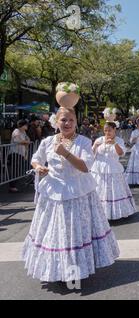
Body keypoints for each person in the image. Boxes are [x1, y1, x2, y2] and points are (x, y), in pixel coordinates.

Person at [23, 84, 119, 282]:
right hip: (53, 192)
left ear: (76, 122)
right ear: (56, 121)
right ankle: (55, 268)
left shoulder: (83, 141)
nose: (67, 123)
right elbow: (36, 158)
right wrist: (38, 167)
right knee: (55, 232)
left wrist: (65, 153)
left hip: (78, 191)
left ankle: (75, 268)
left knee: (73, 232)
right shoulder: (48, 141)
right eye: (63, 119)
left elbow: (85, 167)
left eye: (71, 120)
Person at [92, 121, 136, 220]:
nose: (107, 133)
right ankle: (99, 213)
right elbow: (91, 155)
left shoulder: (119, 140)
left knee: (114, 191)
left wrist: (114, 144)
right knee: (100, 191)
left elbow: (121, 154)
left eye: (109, 131)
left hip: (113, 169)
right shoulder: (99, 140)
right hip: (99, 169)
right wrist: (95, 146)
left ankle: (115, 212)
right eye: (105, 131)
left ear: (114, 130)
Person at [8, 119, 31, 193]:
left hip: (21, 153)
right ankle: (12, 186)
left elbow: (27, 140)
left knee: (18, 170)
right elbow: (19, 141)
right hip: (15, 153)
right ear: (22, 125)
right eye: (26, 125)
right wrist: (26, 142)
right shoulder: (16, 131)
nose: (27, 126)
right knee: (15, 170)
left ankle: (15, 185)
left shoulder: (23, 132)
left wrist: (26, 142)